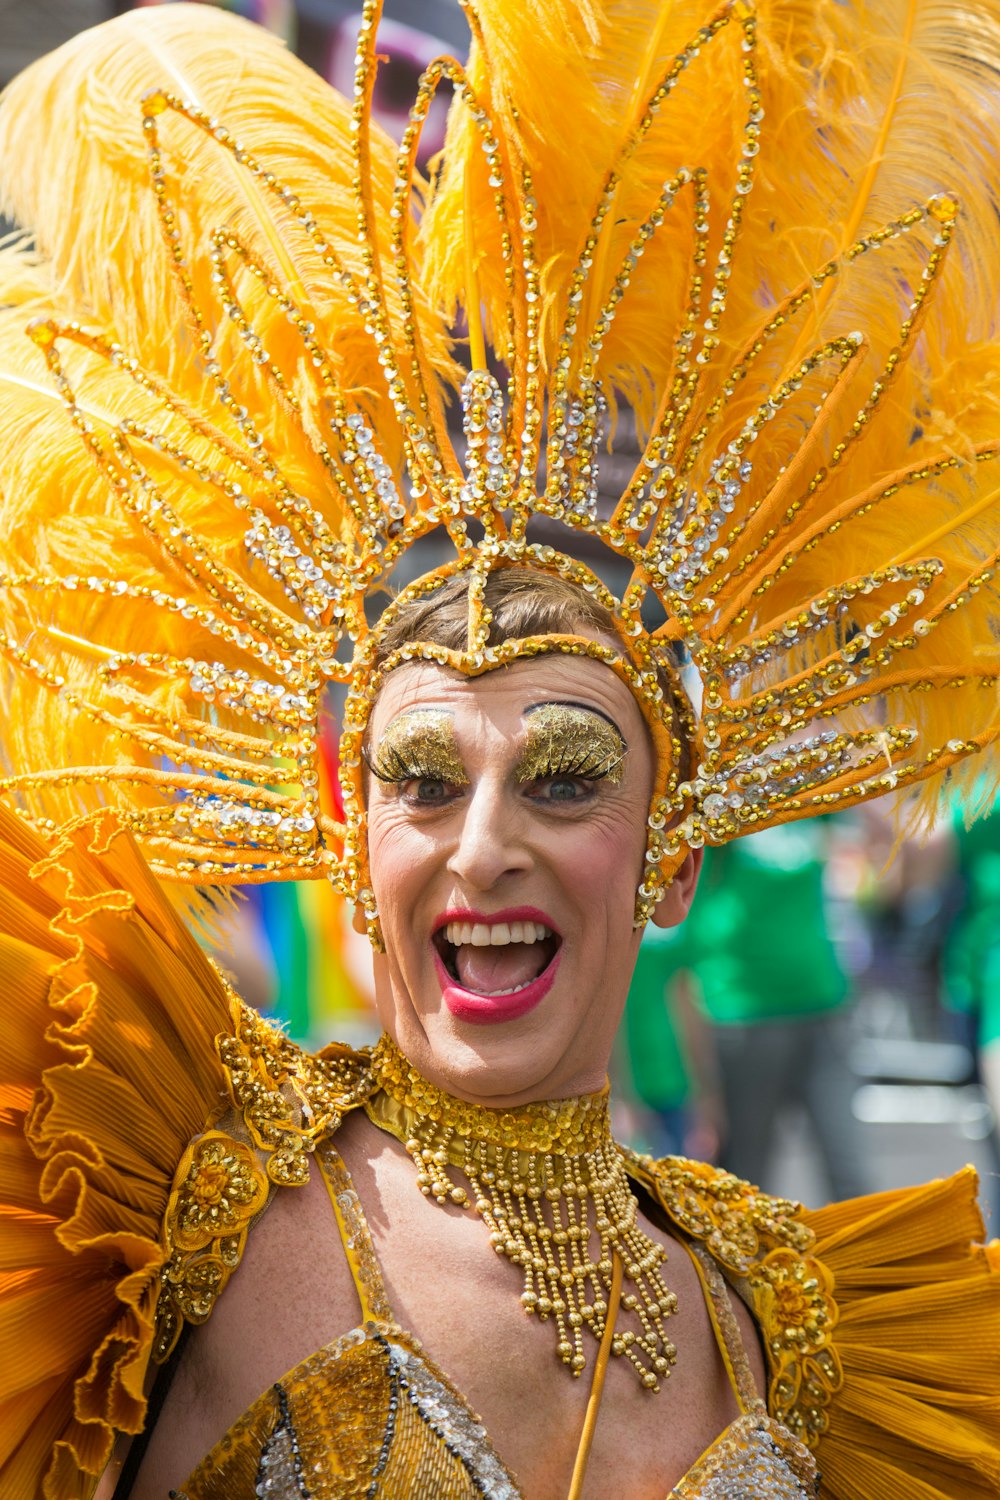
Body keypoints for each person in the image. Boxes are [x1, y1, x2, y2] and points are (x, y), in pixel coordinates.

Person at [0, 2, 999, 1497]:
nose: (482, 844)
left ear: (673, 856)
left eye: (567, 776)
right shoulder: (160, 1221)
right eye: (423, 778)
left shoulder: (799, 1329)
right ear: (354, 836)